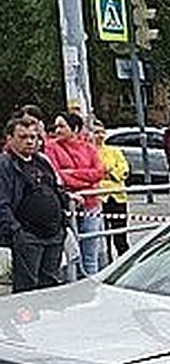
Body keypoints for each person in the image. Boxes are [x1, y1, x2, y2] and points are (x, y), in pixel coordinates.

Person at [0, 114, 67, 292]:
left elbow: (55, 188)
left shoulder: (42, 161)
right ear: (10, 138)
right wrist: (16, 232)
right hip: (28, 236)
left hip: (53, 234)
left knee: (50, 285)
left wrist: (64, 215)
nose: (29, 141)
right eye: (23, 137)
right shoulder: (5, 165)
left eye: (33, 137)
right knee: (27, 289)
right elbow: (2, 203)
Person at [43, 111, 105, 276]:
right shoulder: (51, 147)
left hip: (91, 205)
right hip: (68, 205)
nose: (57, 130)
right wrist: (85, 178)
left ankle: (91, 287)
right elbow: (57, 175)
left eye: (62, 126)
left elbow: (99, 172)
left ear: (75, 128)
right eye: (56, 126)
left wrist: (72, 173)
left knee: (90, 253)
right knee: (70, 255)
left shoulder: (89, 148)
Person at [92, 120, 131, 260]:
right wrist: (104, 173)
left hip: (118, 197)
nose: (100, 135)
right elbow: (94, 173)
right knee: (104, 238)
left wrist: (110, 173)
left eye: (102, 132)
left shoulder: (114, 151)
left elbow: (124, 169)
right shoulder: (90, 152)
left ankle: (125, 261)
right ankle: (107, 262)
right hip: (100, 197)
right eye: (96, 132)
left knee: (121, 235)